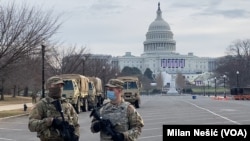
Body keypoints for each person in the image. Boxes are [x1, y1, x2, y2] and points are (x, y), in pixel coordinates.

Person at [28, 77, 80, 141]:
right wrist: (50, 121)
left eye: (61, 85)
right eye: (57, 85)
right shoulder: (41, 104)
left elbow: (76, 124)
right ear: (50, 87)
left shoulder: (67, 105)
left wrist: (76, 135)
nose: (60, 87)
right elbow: (31, 125)